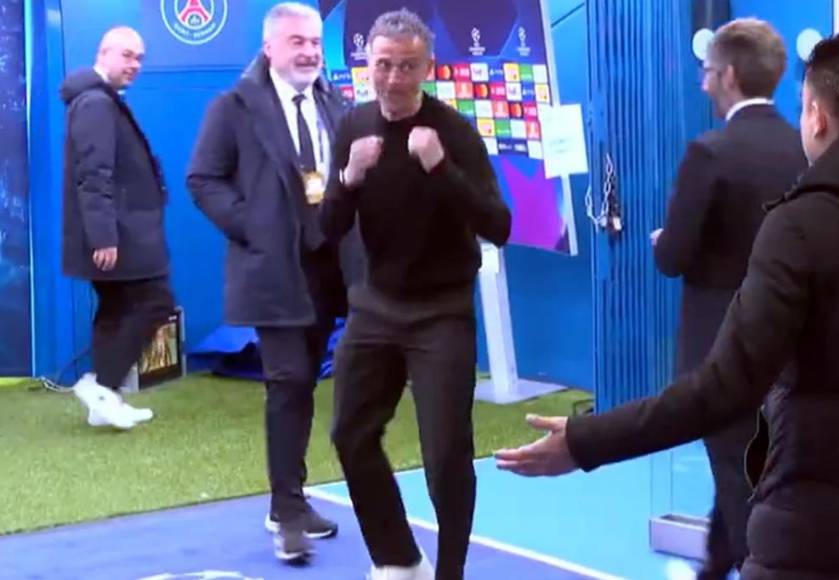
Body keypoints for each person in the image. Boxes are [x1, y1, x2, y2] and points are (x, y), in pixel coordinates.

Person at [496, 32, 839, 580]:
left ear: (816, 116)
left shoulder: (800, 226)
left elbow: (725, 386)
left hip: (813, 539)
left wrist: (584, 440)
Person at [323, 8, 511, 580]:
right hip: (376, 307)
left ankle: (449, 572)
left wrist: (439, 168)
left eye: (407, 66)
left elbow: (497, 225)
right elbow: (329, 226)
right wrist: (350, 178)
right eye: (384, 65)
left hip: (441, 313)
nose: (395, 78)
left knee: (445, 457)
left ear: (427, 68)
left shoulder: (452, 132)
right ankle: (398, 560)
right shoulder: (353, 127)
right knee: (350, 435)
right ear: (367, 65)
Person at [186, 2, 347, 563]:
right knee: (288, 380)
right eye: (298, 42)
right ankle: (285, 511)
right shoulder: (233, 106)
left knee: (303, 385)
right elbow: (202, 178)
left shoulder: (332, 99)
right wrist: (251, 225)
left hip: (330, 268)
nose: (309, 52)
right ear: (269, 47)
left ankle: (294, 498)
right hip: (272, 268)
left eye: (315, 43)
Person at [649, 18, 805, 579]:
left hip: (721, 349)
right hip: (787, 347)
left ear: (730, 75)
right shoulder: (802, 149)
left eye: (708, 73)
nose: (702, 84)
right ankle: (714, 567)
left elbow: (673, 258)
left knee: (739, 484)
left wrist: (663, 241)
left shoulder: (709, 153)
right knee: (741, 471)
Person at [61, 27, 174, 431]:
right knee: (155, 301)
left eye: (140, 58)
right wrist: (104, 236)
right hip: (119, 233)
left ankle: (103, 402)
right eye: (127, 55)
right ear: (102, 53)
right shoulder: (95, 104)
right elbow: (93, 174)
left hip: (120, 229)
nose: (135, 65)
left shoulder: (98, 100)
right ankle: (102, 388)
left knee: (114, 309)